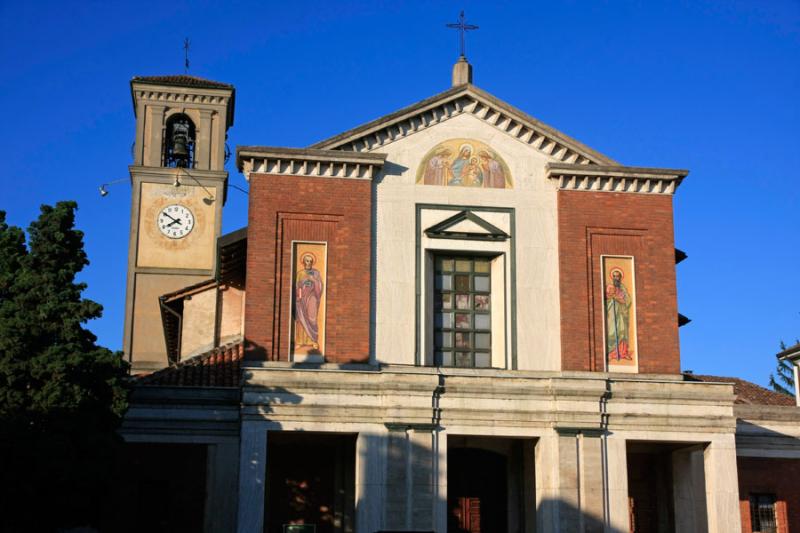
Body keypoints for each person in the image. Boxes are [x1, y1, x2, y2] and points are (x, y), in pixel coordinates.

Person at [294, 252, 323, 351]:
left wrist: (313, 280)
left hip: (312, 298)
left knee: (312, 319)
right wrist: (299, 295)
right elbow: (297, 287)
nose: (309, 263)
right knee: (301, 320)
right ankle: (300, 341)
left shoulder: (316, 273)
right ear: (303, 262)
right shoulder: (300, 273)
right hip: (302, 299)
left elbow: (320, 286)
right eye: (307, 261)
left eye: (311, 261)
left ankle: (313, 340)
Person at [605, 268, 633, 361]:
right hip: (612, 314)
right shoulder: (609, 287)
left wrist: (619, 299)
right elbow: (606, 298)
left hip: (621, 314)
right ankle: (611, 352)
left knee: (622, 332)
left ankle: (622, 352)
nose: (616, 278)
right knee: (612, 331)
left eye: (618, 276)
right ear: (612, 277)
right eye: (614, 276)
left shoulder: (623, 288)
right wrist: (611, 298)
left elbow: (628, 300)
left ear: (620, 277)